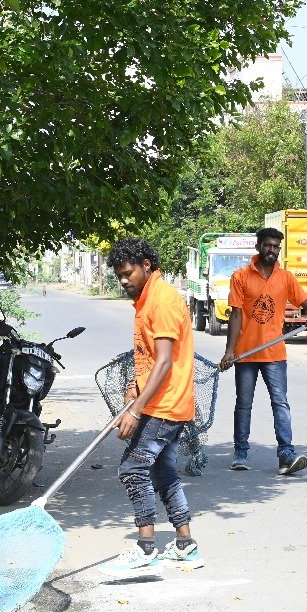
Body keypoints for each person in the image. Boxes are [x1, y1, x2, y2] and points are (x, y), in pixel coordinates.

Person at [99, 237, 204, 576]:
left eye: (128, 273)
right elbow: (146, 358)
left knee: (132, 469)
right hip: (159, 401)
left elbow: (164, 362)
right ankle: (185, 544)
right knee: (162, 472)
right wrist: (132, 387)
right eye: (118, 275)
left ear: (146, 265)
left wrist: (134, 410)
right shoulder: (146, 299)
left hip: (164, 405)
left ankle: (146, 547)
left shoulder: (162, 300)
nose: (123, 280)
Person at [218, 227, 307, 476]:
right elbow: (236, 315)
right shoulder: (240, 277)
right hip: (246, 353)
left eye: (276, 246)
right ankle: (240, 454)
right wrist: (230, 351)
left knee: (280, 403)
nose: (272, 250)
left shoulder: (286, 278)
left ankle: (286, 454)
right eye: (268, 245)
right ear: (258, 247)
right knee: (244, 404)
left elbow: (306, 304)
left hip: (275, 354)